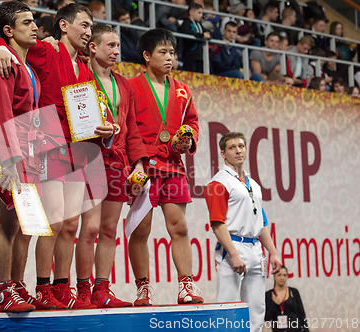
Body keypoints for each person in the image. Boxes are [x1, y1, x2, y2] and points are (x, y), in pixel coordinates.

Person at [0, 3, 115, 310]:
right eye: (83, 25)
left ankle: (36, 288)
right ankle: (29, 289)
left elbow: (82, 113)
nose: (87, 31)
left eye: (90, 26)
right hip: (33, 150)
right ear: (64, 26)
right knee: (37, 223)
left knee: (52, 223)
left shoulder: (82, 67)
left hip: (59, 148)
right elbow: (0, 109)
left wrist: (102, 129)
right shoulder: (43, 51)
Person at [128, 28, 203, 306]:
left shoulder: (183, 90)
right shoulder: (131, 87)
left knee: (179, 227)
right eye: (163, 52)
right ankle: (143, 288)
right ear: (147, 56)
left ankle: (186, 286)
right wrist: (134, 163)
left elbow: (192, 123)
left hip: (173, 166)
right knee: (140, 230)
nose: (169, 57)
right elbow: (128, 127)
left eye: (172, 52)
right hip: (144, 166)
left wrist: (188, 138)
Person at [75, 25, 148, 308]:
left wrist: (139, 163)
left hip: (117, 161)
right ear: (92, 47)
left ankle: (101, 290)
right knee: (90, 228)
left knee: (109, 229)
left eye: (118, 46)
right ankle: (82, 290)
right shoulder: (80, 74)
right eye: (110, 46)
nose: (117, 51)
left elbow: (131, 128)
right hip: (89, 156)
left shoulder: (124, 84)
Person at [0, 1, 41, 313]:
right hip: (10, 157)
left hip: (28, 155)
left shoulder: (23, 64)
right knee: (7, 225)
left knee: (22, 225)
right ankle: (5, 291)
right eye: (27, 22)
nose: (35, 27)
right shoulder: (0, 65)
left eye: (35, 21)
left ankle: (17, 285)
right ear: (8, 31)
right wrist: (10, 160)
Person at [204, 132, 282, 332]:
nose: (238, 150)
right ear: (223, 153)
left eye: (241, 146)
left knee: (257, 309)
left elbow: (261, 221)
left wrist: (273, 251)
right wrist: (234, 254)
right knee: (228, 309)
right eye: (232, 147)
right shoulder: (218, 183)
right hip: (233, 248)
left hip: (256, 250)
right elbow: (217, 223)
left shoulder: (253, 184)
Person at [265, 266, 309, 332]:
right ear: (274, 276)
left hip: (296, 330)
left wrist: (306, 330)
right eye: (279, 275)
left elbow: (301, 313)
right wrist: (275, 304)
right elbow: (267, 318)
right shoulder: (269, 294)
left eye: (284, 275)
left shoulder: (293, 292)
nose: (282, 278)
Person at [180, 3, 210, 73]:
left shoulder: (199, 24)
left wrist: (207, 35)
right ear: (191, 12)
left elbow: (206, 33)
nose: (201, 15)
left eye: (202, 13)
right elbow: (187, 32)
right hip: (190, 56)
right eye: (199, 13)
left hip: (200, 56)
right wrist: (202, 35)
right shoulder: (186, 22)